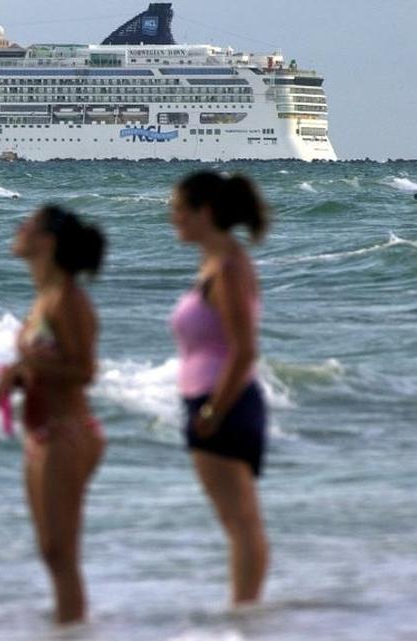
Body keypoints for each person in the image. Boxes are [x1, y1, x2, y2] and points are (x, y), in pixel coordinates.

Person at [0, 205, 107, 625]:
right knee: (51, 552)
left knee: (62, 554)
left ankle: (72, 627)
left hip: (68, 433)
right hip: (41, 434)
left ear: (47, 241)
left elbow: (85, 370)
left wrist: (29, 369)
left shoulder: (68, 301)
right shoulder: (44, 298)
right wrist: (16, 378)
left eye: (27, 225)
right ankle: (67, 628)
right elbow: (47, 365)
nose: (17, 229)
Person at [168, 171, 270, 605]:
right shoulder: (222, 261)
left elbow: (244, 349)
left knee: (240, 523)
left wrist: (213, 410)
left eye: (178, 211)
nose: (173, 220)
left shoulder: (226, 268)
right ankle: (247, 619)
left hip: (221, 404)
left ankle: (244, 619)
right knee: (240, 522)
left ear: (204, 212)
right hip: (222, 401)